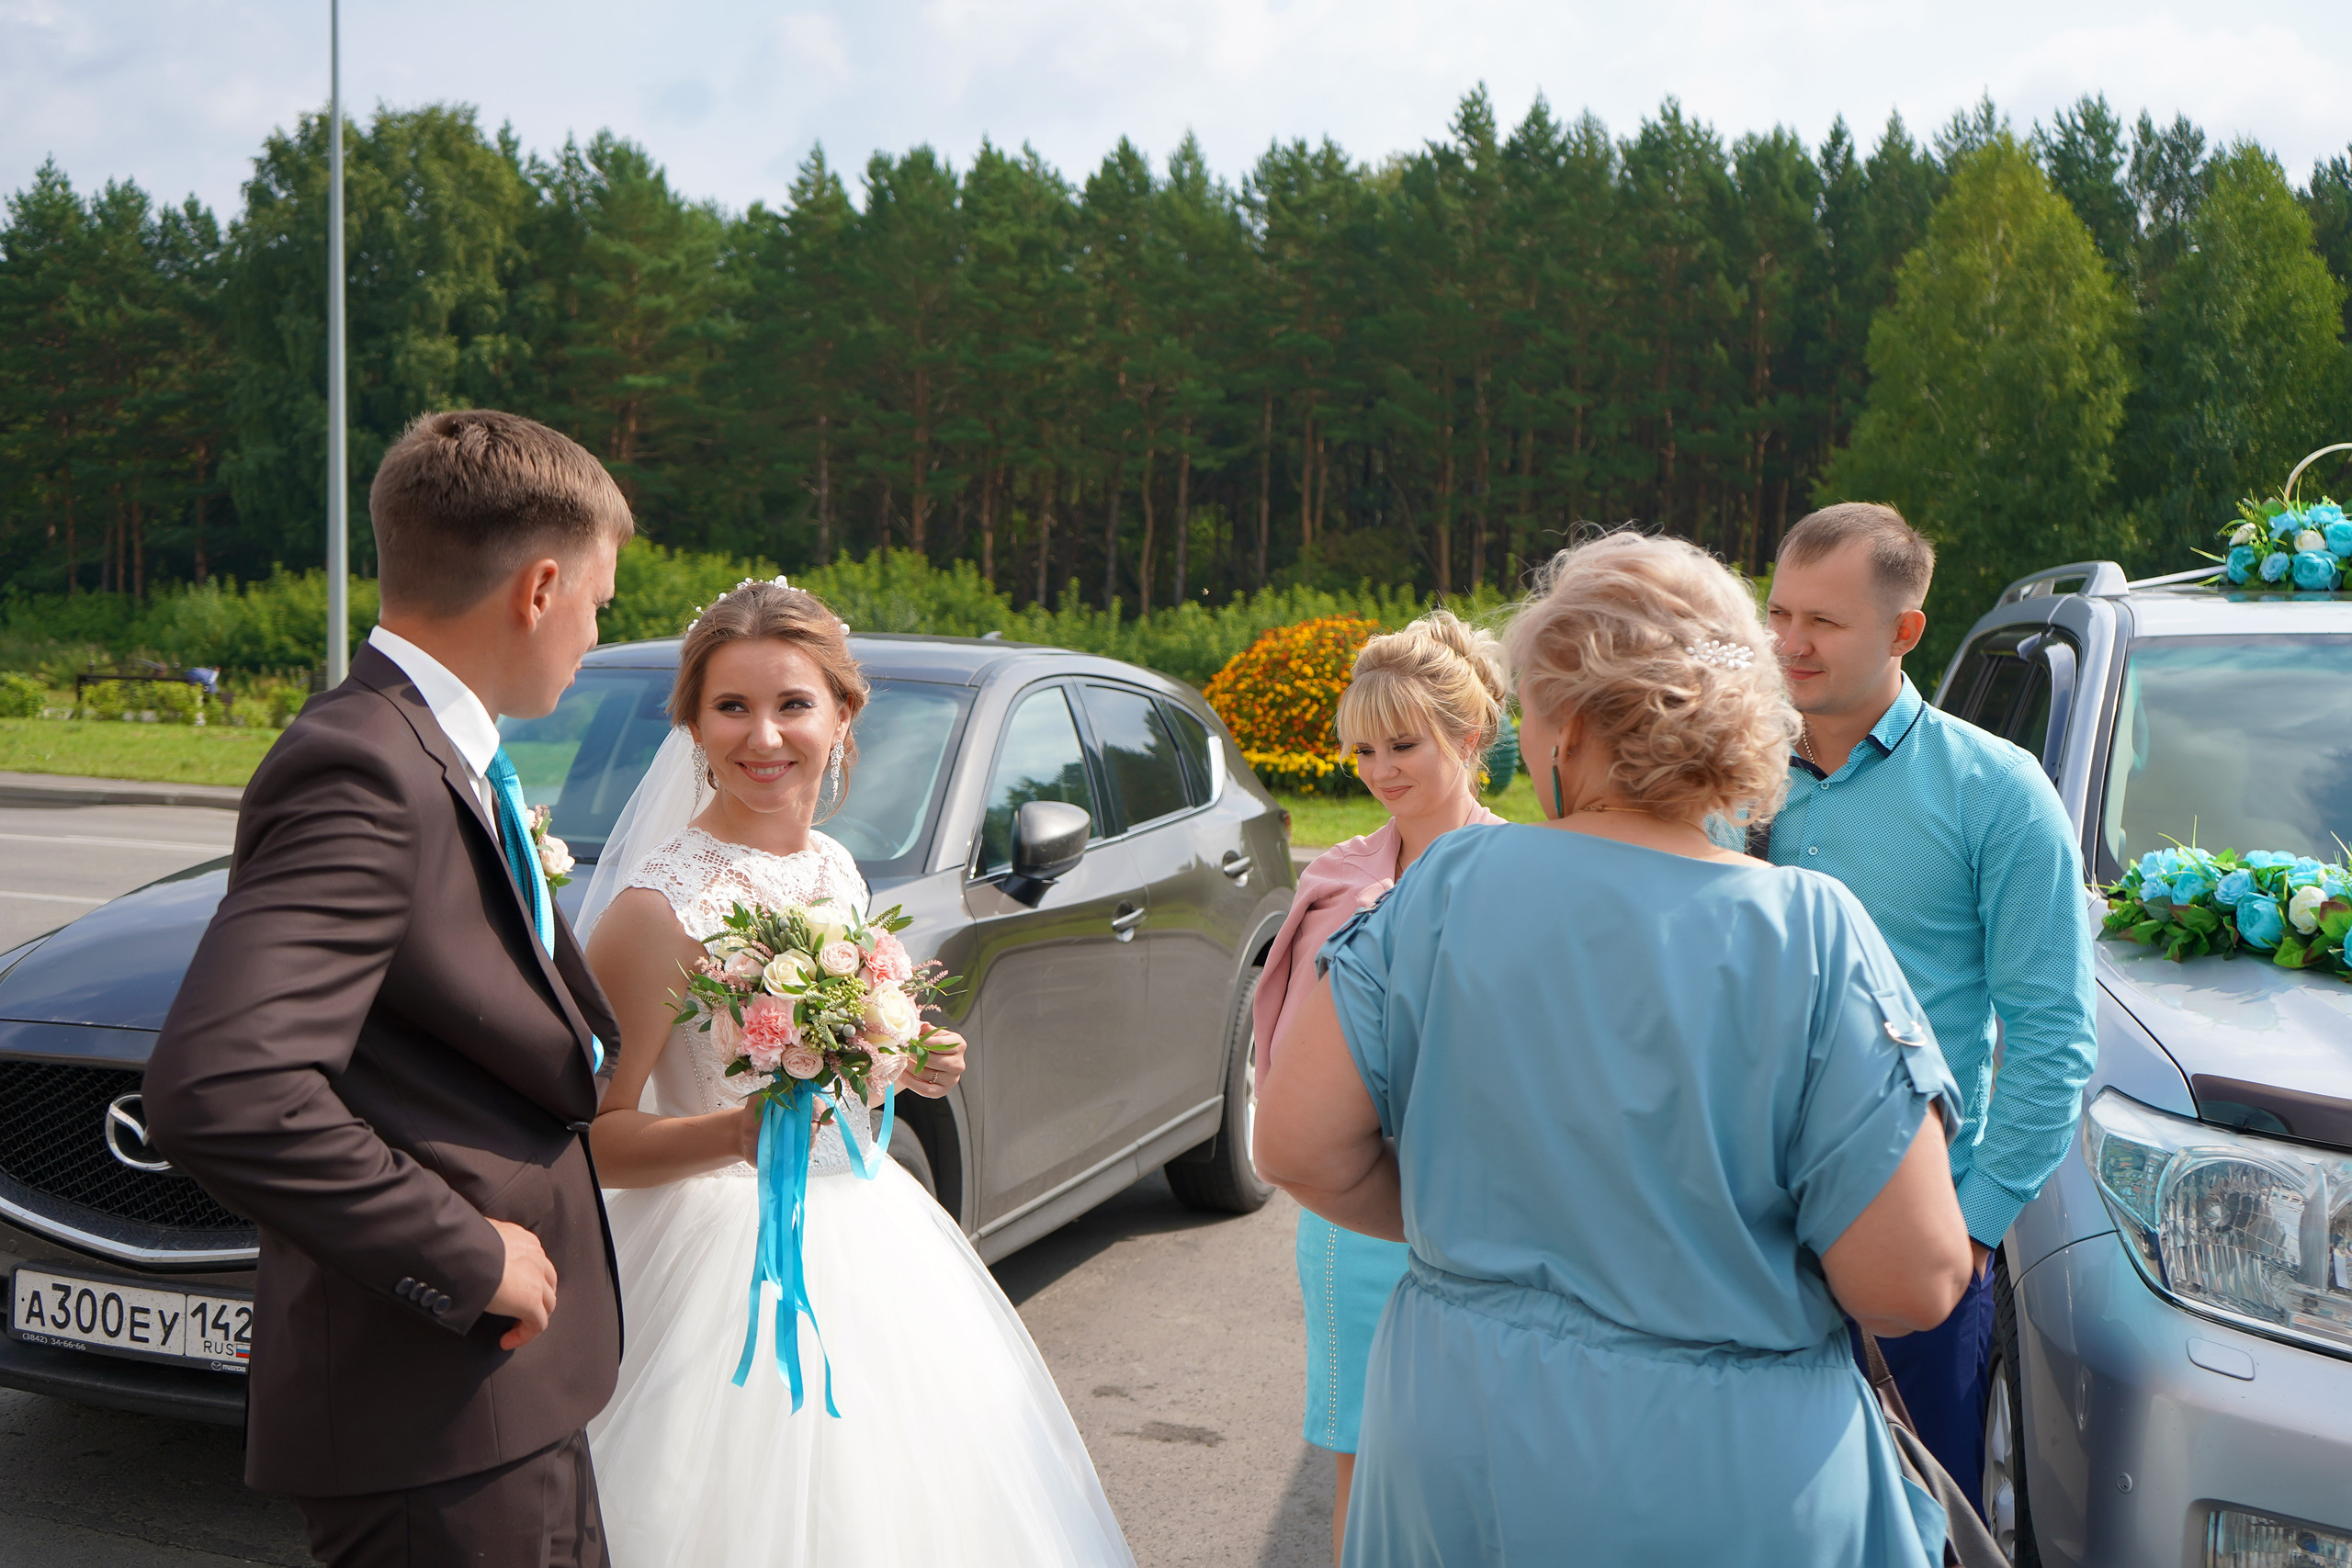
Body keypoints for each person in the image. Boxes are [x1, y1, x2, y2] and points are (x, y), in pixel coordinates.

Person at [1255, 532, 1977, 1567]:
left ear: (1575, 724)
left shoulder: (1440, 891)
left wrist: (1495, 1231)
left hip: (1459, 1443)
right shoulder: (1811, 932)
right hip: (1730, 1476)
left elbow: (1295, 1143)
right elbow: (1911, 1277)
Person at [144, 410, 633, 1566]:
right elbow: (223, 1086)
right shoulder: (366, 762)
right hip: (432, 1411)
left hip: (496, 1397)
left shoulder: (441, 753)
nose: (593, 634)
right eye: (599, 604)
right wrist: (467, 1256)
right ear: (540, 586)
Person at [575, 577, 1136, 1568]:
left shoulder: (834, 867)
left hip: (868, 1239)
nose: (765, 737)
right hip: (713, 1269)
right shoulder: (655, 911)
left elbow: (838, 1068)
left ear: (843, 713)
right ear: (694, 726)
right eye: (731, 707)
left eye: (793, 704)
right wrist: (738, 1135)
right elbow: (593, 1144)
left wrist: (902, 1058)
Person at [1765, 503, 2097, 1509]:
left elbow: (2051, 1040)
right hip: (1737, 1239)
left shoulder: (1998, 792)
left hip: (1914, 1251)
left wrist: (1973, 1229)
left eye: (1822, 622)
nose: (1788, 643)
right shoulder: (1722, 777)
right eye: (1777, 613)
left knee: (1919, 1520)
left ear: (1904, 631)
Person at [1250, 609, 1508, 1567]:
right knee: (1358, 1443)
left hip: (1484, 1206)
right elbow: (1287, 1049)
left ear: (1469, 734)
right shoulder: (1336, 877)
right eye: (1362, 749)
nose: (1381, 769)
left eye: (1403, 743)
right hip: (1353, 1211)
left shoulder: (1523, 874)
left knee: (1477, 1450)